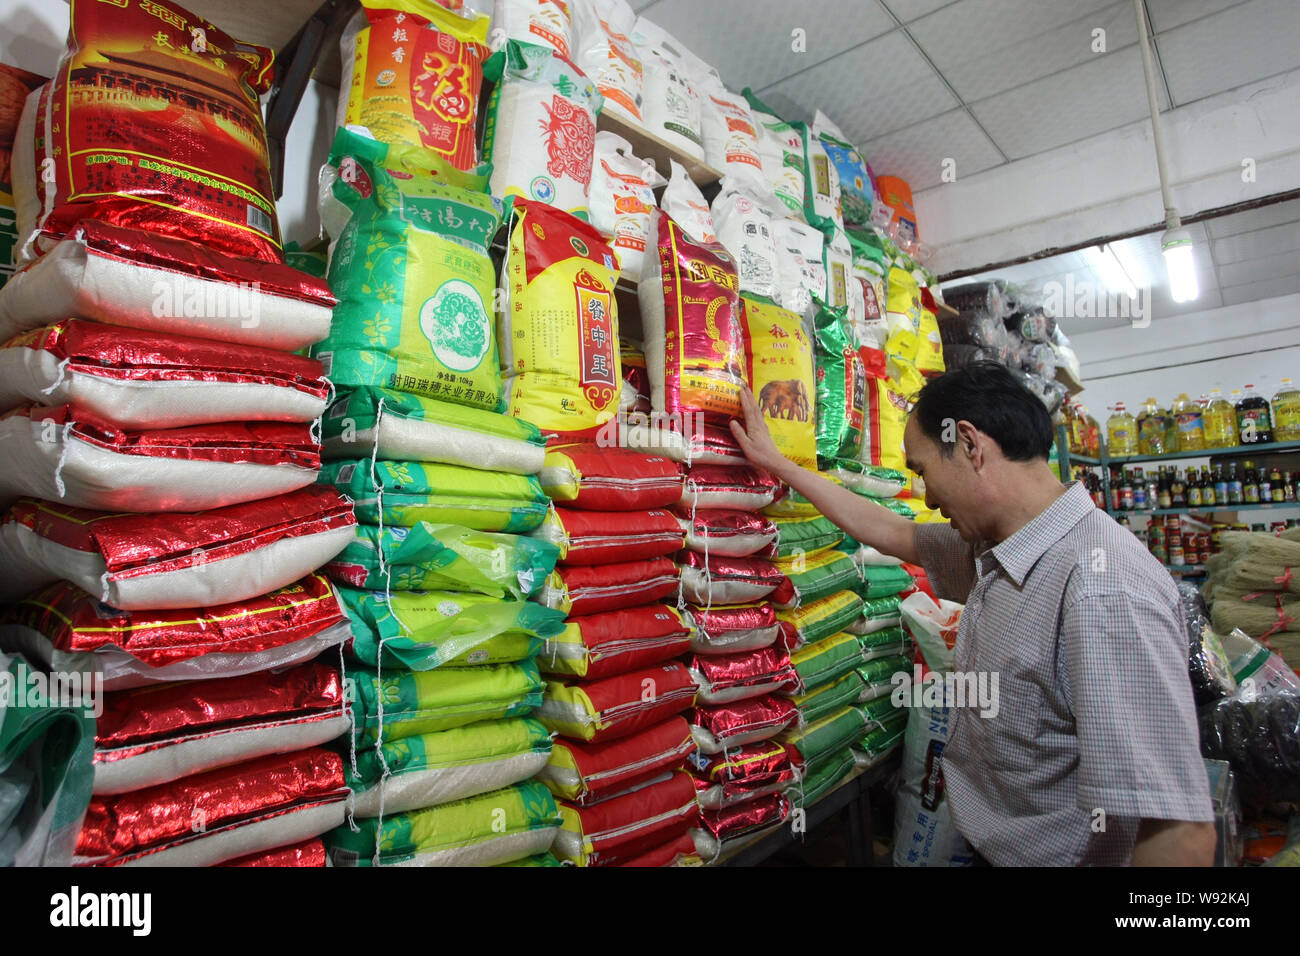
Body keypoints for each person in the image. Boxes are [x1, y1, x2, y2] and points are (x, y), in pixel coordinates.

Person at [729, 362, 1216, 866]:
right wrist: (779, 464)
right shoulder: (1000, 548)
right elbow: (893, 532)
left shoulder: (1101, 590)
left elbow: (1177, 833)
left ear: (969, 444)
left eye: (923, 472)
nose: (929, 498)